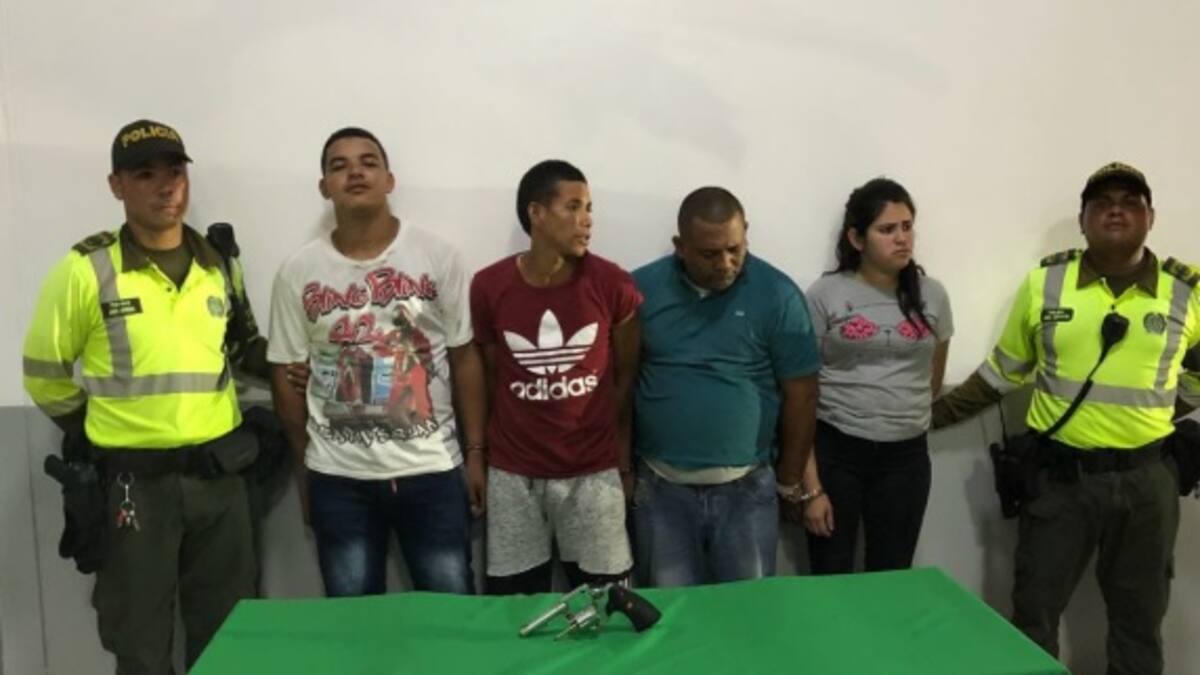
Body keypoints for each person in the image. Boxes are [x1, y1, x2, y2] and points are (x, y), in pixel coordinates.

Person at [22, 119, 272, 673]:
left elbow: (240, 347)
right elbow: (43, 374)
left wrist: (296, 364)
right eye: (145, 174)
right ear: (117, 186)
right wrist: (97, 430)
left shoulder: (218, 264)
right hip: (135, 490)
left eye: (175, 171)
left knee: (230, 636)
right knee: (138, 641)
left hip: (220, 482)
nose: (166, 186)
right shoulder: (87, 269)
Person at [932, 162, 1200, 674]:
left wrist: (1165, 408)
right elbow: (1002, 373)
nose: (1116, 210)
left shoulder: (1186, 291)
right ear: (1082, 220)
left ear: (1151, 217)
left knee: (1139, 622)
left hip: (1147, 483)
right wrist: (929, 417)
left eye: (1130, 202)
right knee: (1034, 614)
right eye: (1102, 203)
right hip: (1061, 482)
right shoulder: (1046, 283)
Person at [267, 127, 485, 597]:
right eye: (339, 166)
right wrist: (304, 469)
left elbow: (465, 358)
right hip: (338, 477)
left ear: (389, 179)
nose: (355, 173)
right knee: (353, 622)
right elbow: (285, 375)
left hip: (432, 469)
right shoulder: (298, 272)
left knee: (450, 616)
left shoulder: (437, 256)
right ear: (324, 187)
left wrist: (475, 453)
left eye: (368, 162)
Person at [631, 186, 820, 587]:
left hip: (747, 491)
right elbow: (621, 383)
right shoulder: (640, 292)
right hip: (661, 491)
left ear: (746, 231)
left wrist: (790, 479)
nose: (726, 263)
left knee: (746, 614)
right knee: (672, 615)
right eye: (709, 254)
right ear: (680, 246)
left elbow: (802, 394)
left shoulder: (778, 294)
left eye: (735, 248)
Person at [469, 159, 641, 594]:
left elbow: (625, 377)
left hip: (593, 472)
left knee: (608, 602)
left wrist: (621, 462)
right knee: (514, 604)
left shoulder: (613, 284)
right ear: (537, 213)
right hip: (513, 474)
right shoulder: (488, 286)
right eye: (574, 207)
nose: (587, 220)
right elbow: (492, 377)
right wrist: (480, 456)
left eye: (589, 208)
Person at [800, 178, 953, 574]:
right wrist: (811, 487)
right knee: (831, 574)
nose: (902, 238)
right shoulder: (825, 294)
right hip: (838, 452)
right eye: (887, 229)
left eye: (907, 227)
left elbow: (933, 377)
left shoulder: (933, 295)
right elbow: (802, 393)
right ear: (857, 238)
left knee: (892, 574)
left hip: (905, 457)